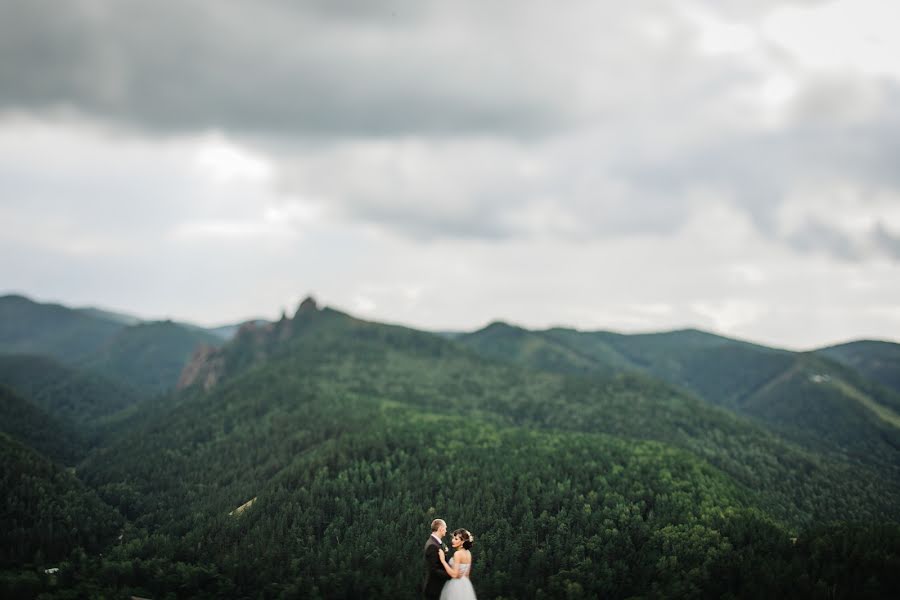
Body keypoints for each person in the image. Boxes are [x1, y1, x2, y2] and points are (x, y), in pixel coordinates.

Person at [438, 529, 477, 600]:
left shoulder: (457, 554)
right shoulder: (468, 553)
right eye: (453, 538)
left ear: (463, 542)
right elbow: (467, 574)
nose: (453, 540)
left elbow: (454, 574)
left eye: (456, 539)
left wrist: (443, 560)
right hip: (466, 585)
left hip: (455, 585)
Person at [423, 518, 451, 599]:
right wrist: (450, 575)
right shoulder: (432, 545)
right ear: (441, 528)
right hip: (434, 589)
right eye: (445, 528)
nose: (446, 530)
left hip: (438, 588)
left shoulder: (435, 543)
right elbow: (434, 569)